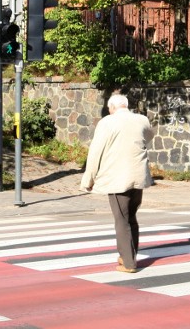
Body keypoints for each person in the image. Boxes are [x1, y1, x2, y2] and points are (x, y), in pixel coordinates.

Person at [80, 93, 153, 273]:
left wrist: (88, 179)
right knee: (132, 217)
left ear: (112, 108)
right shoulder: (142, 120)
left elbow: (95, 152)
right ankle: (129, 255)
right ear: (126, 105)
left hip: (117, 177)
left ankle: (128, 263)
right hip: (139, 177)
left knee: (121, 219)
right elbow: (148, 136)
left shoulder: (107, 122)